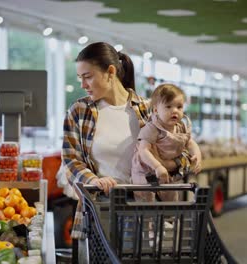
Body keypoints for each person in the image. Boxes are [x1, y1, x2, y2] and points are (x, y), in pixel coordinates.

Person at [60, 42, 201, 262]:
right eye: (80, 78)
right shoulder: (79, 111)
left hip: (144, 210)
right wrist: (94, 180)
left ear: (111, 72)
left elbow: (183, 153)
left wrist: (166, 167)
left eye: (87, 76)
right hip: (100, 208)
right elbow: (70, 159)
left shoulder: (148, 110)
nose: (83, 84)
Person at [132, 84, 202, 202]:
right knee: (145, 199)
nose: (174, 111)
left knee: (171, 198)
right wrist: (157, 166)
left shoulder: (180, 127)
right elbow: (143, 150)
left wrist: (197, 157)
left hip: (168, 171)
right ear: (156, 110)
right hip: (145, 169)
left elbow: (190, 143)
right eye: (168, 106)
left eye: (179, 107)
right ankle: (146, 219)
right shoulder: (152, 128)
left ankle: (170, 219)